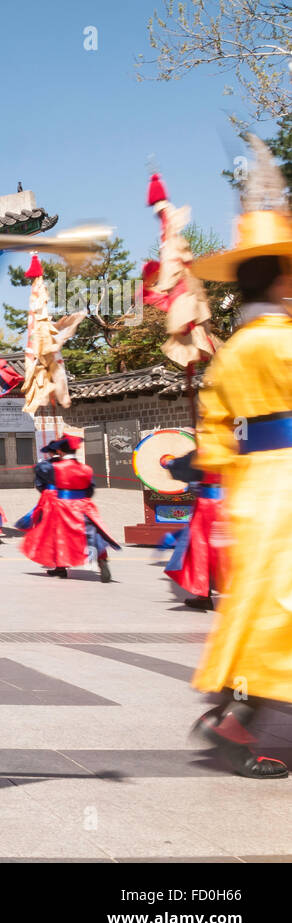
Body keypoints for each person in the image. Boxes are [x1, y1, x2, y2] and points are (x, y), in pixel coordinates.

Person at [185, 180, 292, 779]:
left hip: (252, 491)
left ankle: (236, 708)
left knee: (262, 604)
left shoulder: (233, 352)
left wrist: (228, 487)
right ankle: (264, 737)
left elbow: (216, 437)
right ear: (279, 280)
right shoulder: (286, 344)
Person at [19, 434, 119, 581]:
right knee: (92, 533)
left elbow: (43, 477)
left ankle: (61, 567)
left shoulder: (54, 467)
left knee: (59, 536)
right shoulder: (86, 468)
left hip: (63, 505)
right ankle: (102, 560)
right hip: (84, 504)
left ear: (60, 451)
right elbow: (90, 490)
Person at [162, 450, 224, 611]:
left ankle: (203, 595)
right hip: (235, 501)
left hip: (209, 504)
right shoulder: (241, 446)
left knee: (201, 548)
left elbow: (187, 469)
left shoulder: (208, 448)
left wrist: (169, 462)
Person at [15, 441, 59, 531]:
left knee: (44, 515)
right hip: (69, 495)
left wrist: (44, 490)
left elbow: (39, 483)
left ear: (50, 452)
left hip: (50, 494)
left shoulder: (43, 465)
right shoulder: (72, 464)